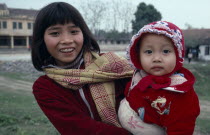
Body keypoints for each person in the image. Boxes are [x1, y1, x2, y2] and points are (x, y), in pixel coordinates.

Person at [31, 2, 134, 135]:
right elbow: (80, 129)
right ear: (42, 39)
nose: (67, 40)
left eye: (74, 31)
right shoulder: (45, 87)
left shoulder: (111, 64)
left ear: (84, 34)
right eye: (55, 33)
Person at [118, 21, 200, 135]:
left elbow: (182, 128)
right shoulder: (138, 76)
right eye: (149, 52)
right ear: (138, 55)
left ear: (178, 54)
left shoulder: (180, 91)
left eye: (166, 51)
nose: (156, 58)